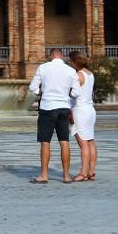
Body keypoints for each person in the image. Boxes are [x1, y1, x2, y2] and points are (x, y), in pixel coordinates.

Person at [28, 48, 80, 183]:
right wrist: (66, 93)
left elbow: (33, 87)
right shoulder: (70, 70)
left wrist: (42, 91)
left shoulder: (43, 67)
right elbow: (76, 93)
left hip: (47, 107)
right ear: (62, 56)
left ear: (50, 56)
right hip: (64, 108)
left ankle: (44, 174)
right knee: (64, 141)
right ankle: (66, 175)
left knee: (45, 142)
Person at [69, 51, 97, 181]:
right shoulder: (90, 74)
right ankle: (91, 171)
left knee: (83, 143)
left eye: (71, 61)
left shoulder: (78, 75)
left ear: (74, 62)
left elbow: (73, 94)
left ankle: (83, 173)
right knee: (90, 141)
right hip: (90, 109)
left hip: (80, 110)